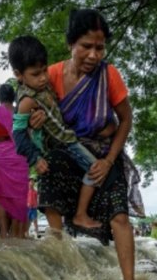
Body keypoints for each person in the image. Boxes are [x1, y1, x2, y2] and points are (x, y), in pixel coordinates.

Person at [28, 9, 144, 280]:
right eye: (86, 47)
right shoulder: (51, 75)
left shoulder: (110, 76)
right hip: (68, 151)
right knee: (50, 172)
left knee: (119, 215)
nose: (94, 55)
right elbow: (38, 116)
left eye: (100, 48)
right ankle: (59, 267)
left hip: (105, 152)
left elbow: (126, 119)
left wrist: (110, 161)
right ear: (71, 45)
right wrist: (36, 120)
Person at [9, 35, 113, 231]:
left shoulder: (43, 85)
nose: (42, 78)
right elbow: (18, 135)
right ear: (19, 74)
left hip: (66, 141)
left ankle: (75, 220)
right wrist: (35, 158)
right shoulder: (26, 101)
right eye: (35, 74)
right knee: (96, 170)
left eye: (44, 71)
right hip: (64, 144)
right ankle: (81, 215)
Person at [0, 84, 29, 239]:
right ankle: (18, 233)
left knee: (1, 195)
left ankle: (3, 233)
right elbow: (27, 135)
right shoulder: (20, 112)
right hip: (19, 155)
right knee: (18, 195)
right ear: (13, 96)